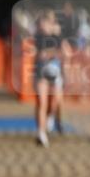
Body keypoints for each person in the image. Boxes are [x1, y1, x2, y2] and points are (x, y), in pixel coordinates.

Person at [32, 9, 70, 147]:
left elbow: (67, 52)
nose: (44, 25)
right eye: (42, 22)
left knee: (55, 102)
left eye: (47, 22)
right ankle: (41, 133)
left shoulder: (58, 36)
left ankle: (53, 119)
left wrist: (51, 53)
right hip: (41, 73)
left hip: (56, 73)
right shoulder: (38, 36)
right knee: (41, 102)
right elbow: (36, 54)